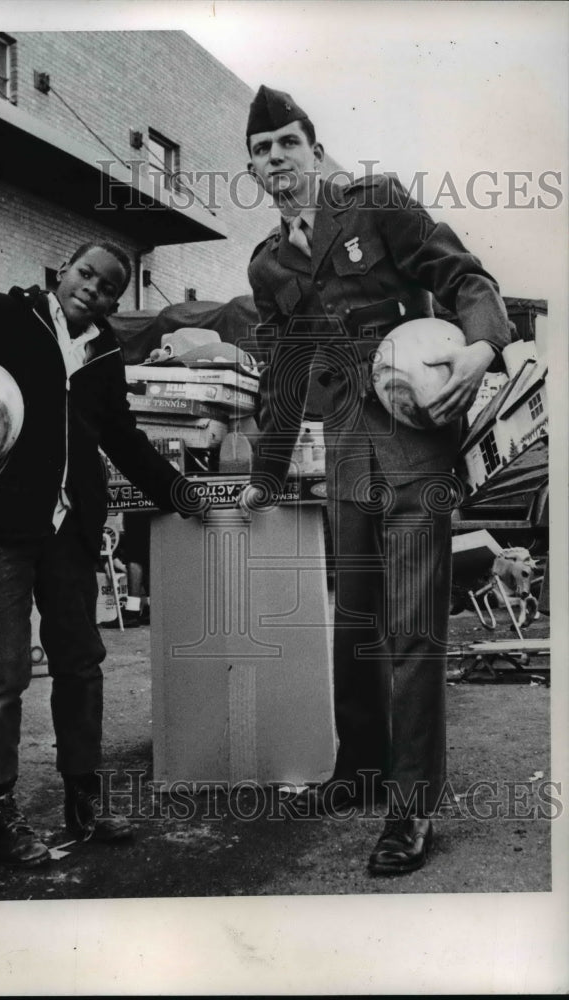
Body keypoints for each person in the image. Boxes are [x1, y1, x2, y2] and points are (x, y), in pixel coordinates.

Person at [239, 86, 512, 875]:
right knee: (355, 620)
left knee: (413, 627)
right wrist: (265, 473)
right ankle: (359, 767)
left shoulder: (376, 203)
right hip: (347, 448)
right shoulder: (267, 263)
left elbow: (464, 277)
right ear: (252, 170)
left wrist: (481, 348)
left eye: (287, 142)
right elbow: (284, 375)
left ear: (314, 149)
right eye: (261, 151)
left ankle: (411, 807)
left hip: (414, 435)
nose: (276, 158)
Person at [0, 242, 205, 866]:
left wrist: (179, 492)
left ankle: (83, 800)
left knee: (81, 664)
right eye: (86, 273)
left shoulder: (106, 352)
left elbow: (121, 435)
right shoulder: (5, 315)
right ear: (63, 271)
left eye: (108, 286)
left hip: (72, 530)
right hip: (3, 527)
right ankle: (0, 811)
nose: (93, 288)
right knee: (2, 671)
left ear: (115, 300)